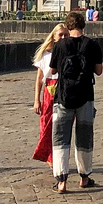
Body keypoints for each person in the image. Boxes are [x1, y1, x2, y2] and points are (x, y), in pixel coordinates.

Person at [47, 24, 103, 192]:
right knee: (84, 138)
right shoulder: (92, 44)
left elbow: (53, 70)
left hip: (63, 96)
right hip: (85, 96)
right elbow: (99, 71)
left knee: (60, 139)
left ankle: (61, 181)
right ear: (83, 26)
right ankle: (84, 177)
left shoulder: (60, 45)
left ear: (69, 26)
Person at [31, 23, 70, 164]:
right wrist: (37, 100)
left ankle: (57, 155)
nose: (64, 37)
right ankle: (48, 154)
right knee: (47, 121)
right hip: (50, 88)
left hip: (65, 87)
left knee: (61, 123)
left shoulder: (70, 51)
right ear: (54, 37)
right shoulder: (46, 54)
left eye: (66, 34)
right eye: (61, 35)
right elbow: (39, 79)